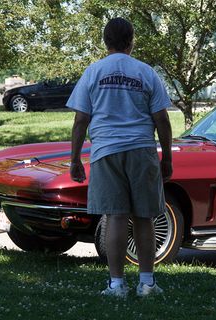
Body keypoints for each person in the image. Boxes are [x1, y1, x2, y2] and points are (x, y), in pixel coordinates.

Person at [67, 17, 173, 298]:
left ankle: (117, 285)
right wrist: (167, 158)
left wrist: (75, 158)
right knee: (144, 217)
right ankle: (147, 283)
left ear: (105, 41)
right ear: (131, 40)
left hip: (105, 152)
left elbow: (81, 120)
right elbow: (161, 119)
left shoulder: (93, 72)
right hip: (142, 150)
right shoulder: (146, 72)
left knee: (115, 217)